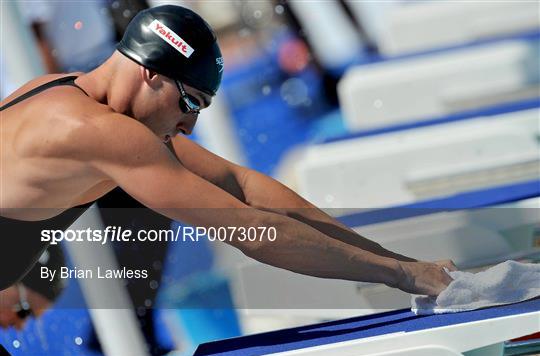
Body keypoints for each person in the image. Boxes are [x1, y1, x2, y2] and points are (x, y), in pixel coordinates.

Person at [0, 5, 455, 324]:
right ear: (150, 73)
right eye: (189, 102)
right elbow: (249, 229)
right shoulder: (101, 132)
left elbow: (242, 185)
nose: (190, 126)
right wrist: (401, 276)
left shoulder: (58, 90)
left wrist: (402, 262)